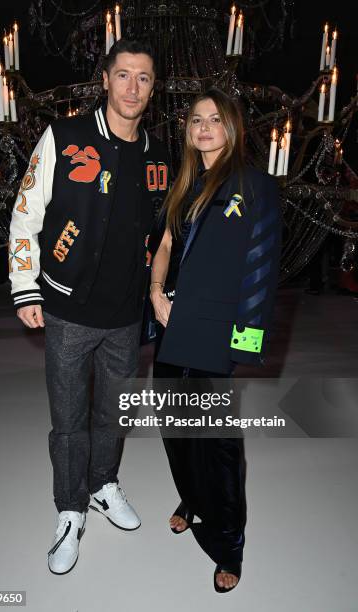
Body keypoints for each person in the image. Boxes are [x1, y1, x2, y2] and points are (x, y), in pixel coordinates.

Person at [8, 38, 170, 575]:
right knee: (69, 418)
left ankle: (103, 485)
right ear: (105, 79)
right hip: (67, 309)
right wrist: (25, 286)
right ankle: (70, 508)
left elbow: (164, 233)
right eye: (123, 75)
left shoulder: (159, 153)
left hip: (126, 316)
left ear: (152, 87)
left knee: (113, 413)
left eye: (143, 78)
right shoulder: (66, 136)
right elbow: (26, 213)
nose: (132, 87)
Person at [149, 88, 282, 592]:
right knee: (173, 427)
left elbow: (262, 268)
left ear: (231, 127)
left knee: (218, 443)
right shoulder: (182, 185)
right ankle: (191, 499)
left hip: (217, 331)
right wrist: (157, 293)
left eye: (214, 119)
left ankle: (229, 544)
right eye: (196, 120)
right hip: (174, 323)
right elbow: (162, 243)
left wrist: (244, 343)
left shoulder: (256, 185)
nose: (203, 127)